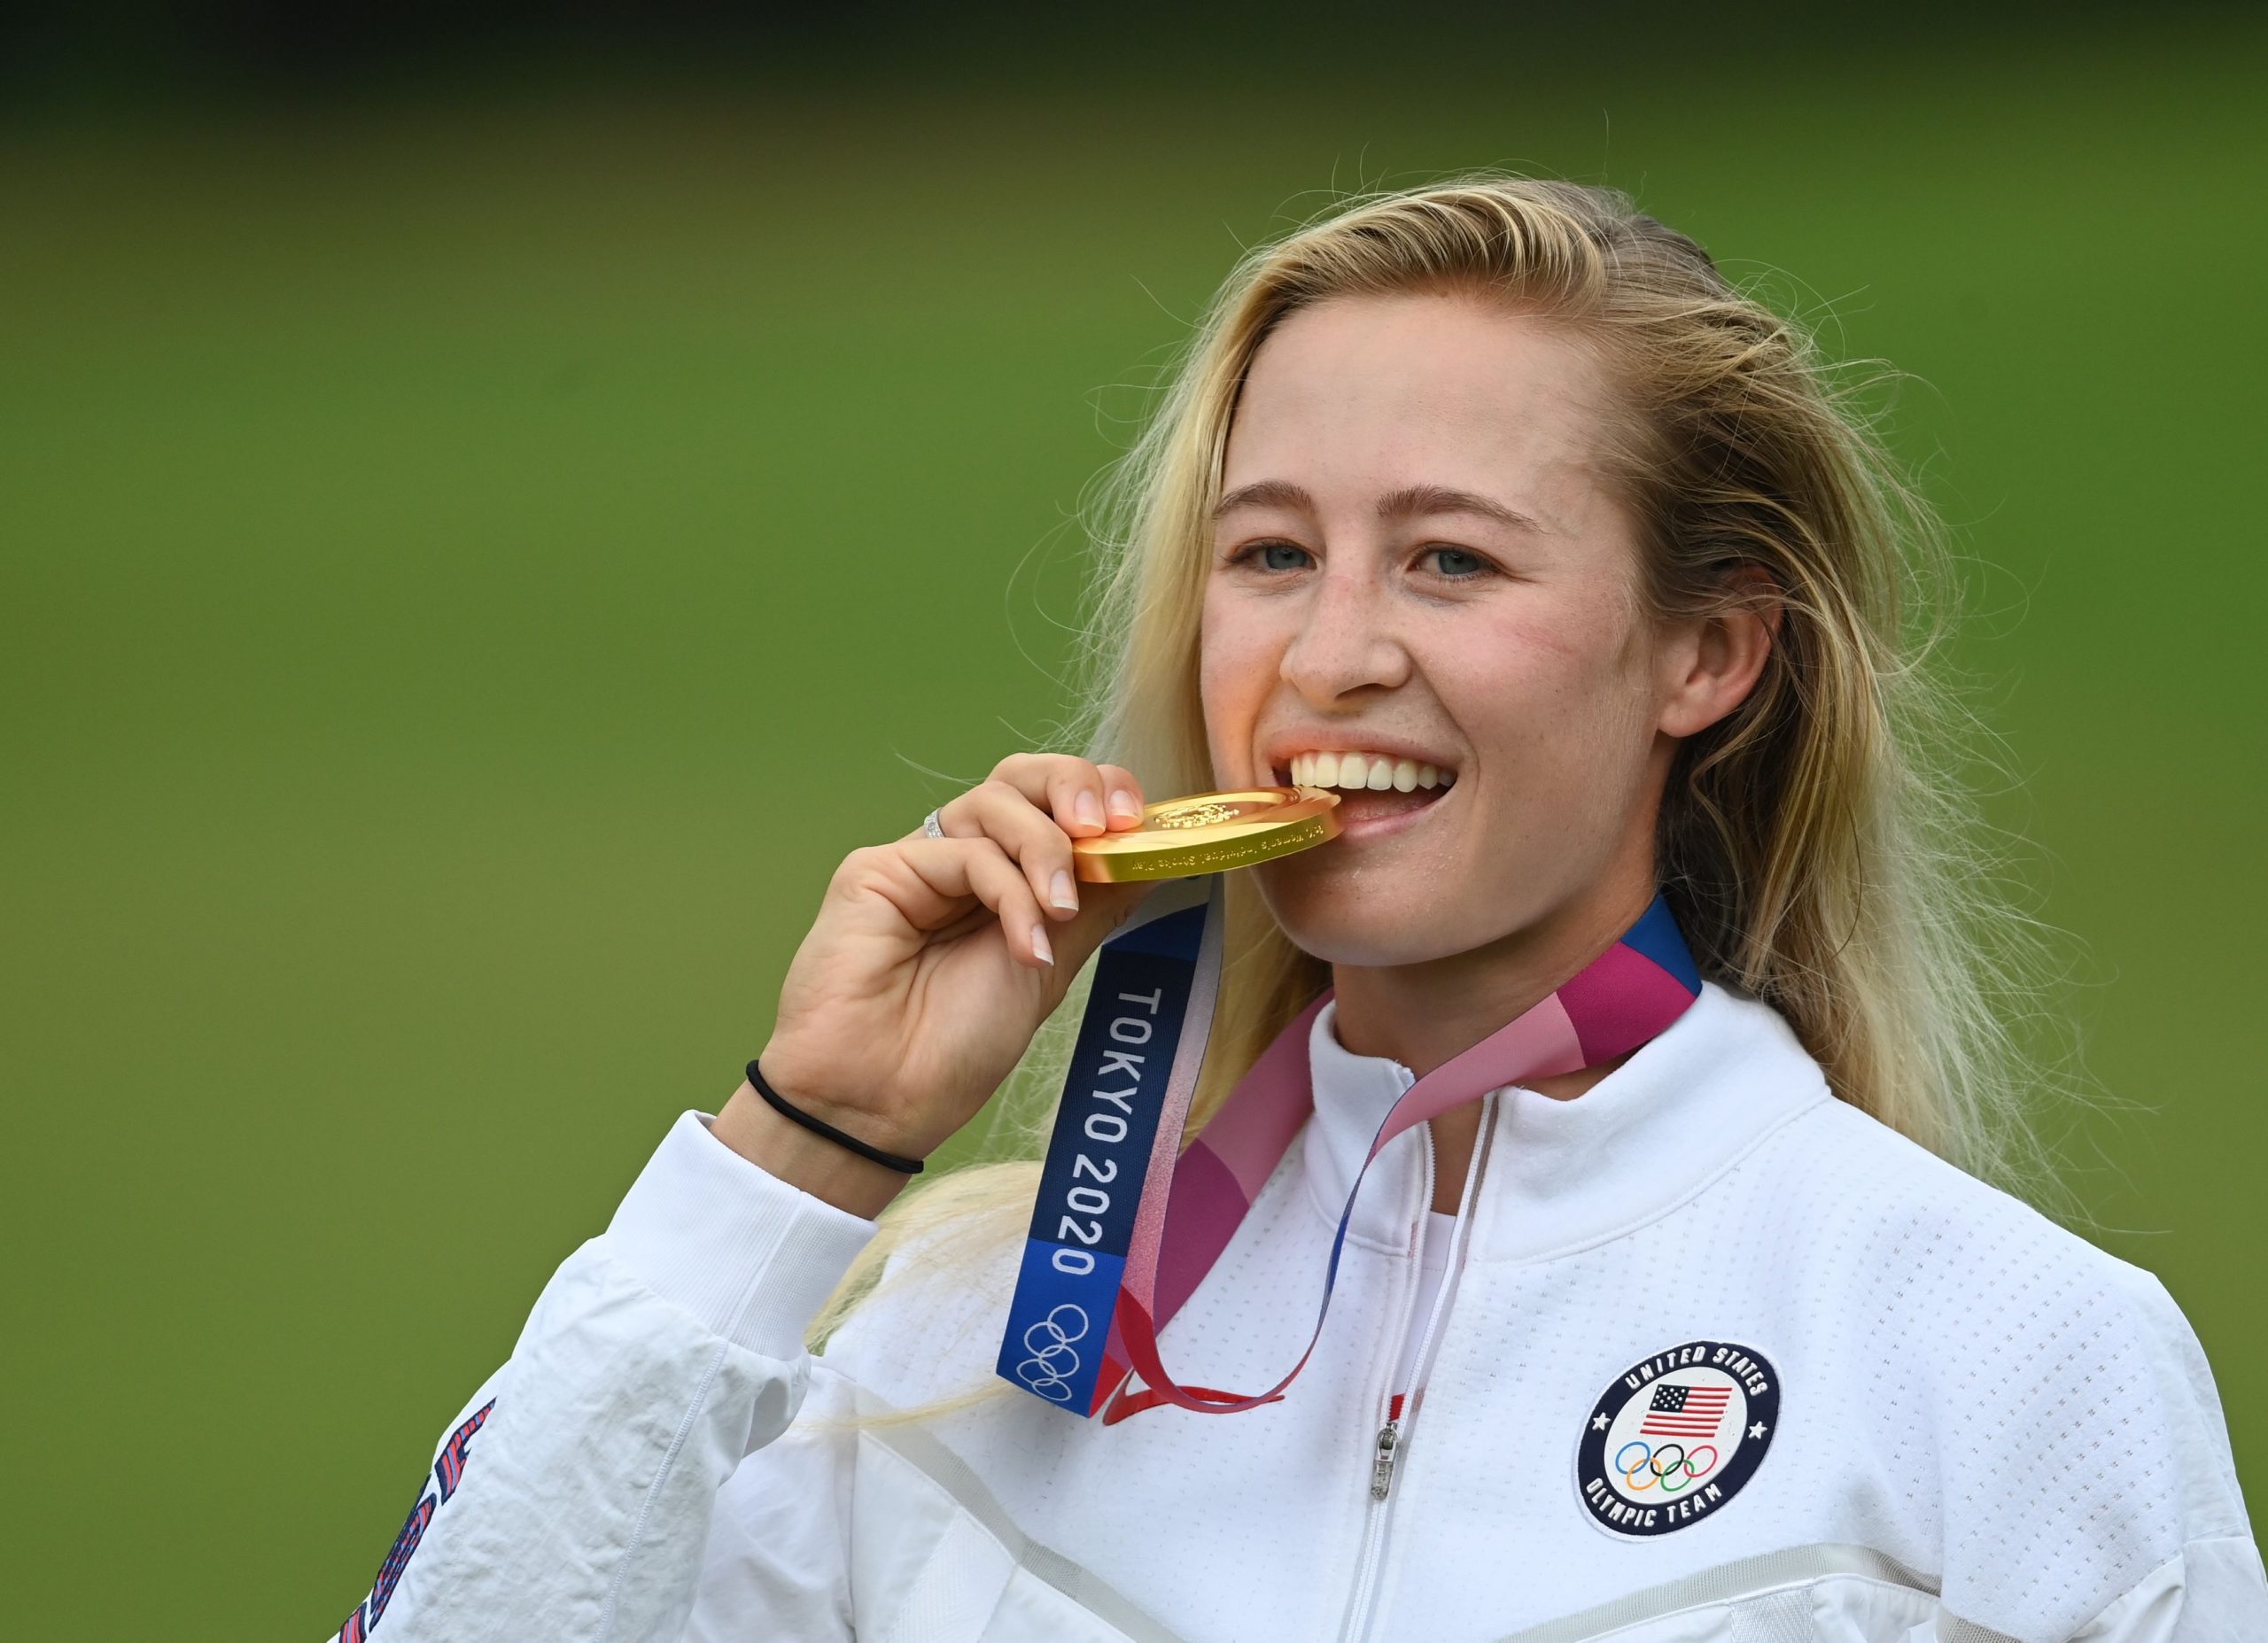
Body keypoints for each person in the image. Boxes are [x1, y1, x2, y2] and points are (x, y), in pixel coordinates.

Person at [327, 178, 2264, 1642]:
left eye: (1447, 558)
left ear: (1705, 652)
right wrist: (801, 1151)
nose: (1332, 652)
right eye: (1269, 553)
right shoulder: (954, 1342)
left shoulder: (2001, 1356)